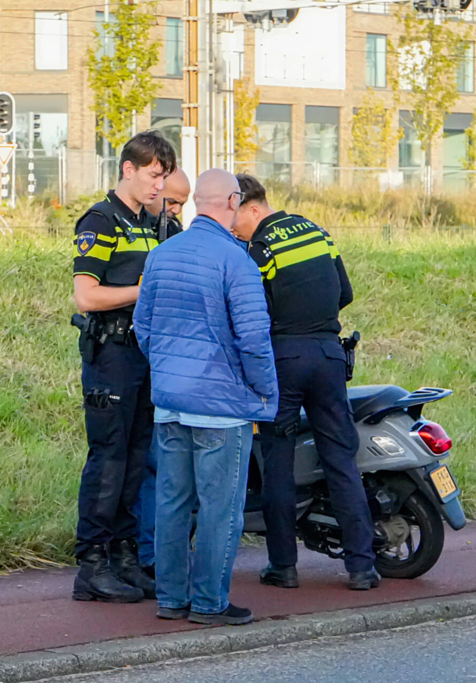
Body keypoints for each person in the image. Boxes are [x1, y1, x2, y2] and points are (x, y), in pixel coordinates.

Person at [133, 169, 278, 626]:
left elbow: (144, 327)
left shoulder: (163, 255)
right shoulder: (237, 261)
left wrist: (167, 369)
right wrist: (264, 392)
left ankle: (171, 599)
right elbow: (254, 339)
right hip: (221, 406)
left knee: (173, 503)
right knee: (220, 509)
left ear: (197, 201)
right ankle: (210, 602)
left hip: (170, 402)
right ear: (233, 201)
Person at [232, 173, 381, 592]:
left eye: (235, 217)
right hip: (330, 355)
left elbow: (254, 308)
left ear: (253, 207)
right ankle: (362, 567)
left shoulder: (260, 247)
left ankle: (284, 567)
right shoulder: (318, 232)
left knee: (276, 463)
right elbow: (344, 292)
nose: (233, 228)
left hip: (285, 359)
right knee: (342, 461)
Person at [71, 130, 177, 603]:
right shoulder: (103, 219)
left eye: (165, 178)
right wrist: (144, 292)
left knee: (136, 460)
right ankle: (91, 567)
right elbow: (87, 296)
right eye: (155, 176)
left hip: (144, 354)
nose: (160, 187)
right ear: (128, 170)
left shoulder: (150, 223)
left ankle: (125, 558)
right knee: (109, 460)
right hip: (111, 355)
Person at [133, 168, 192, 577]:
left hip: (166, 366)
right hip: (146, 364)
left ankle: (156, 553)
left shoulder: (168, 232)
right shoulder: (139, 232)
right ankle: (151, 556)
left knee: (163, 465)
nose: (176, 211)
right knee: (153, 464)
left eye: (182, 205)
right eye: (171, 201)